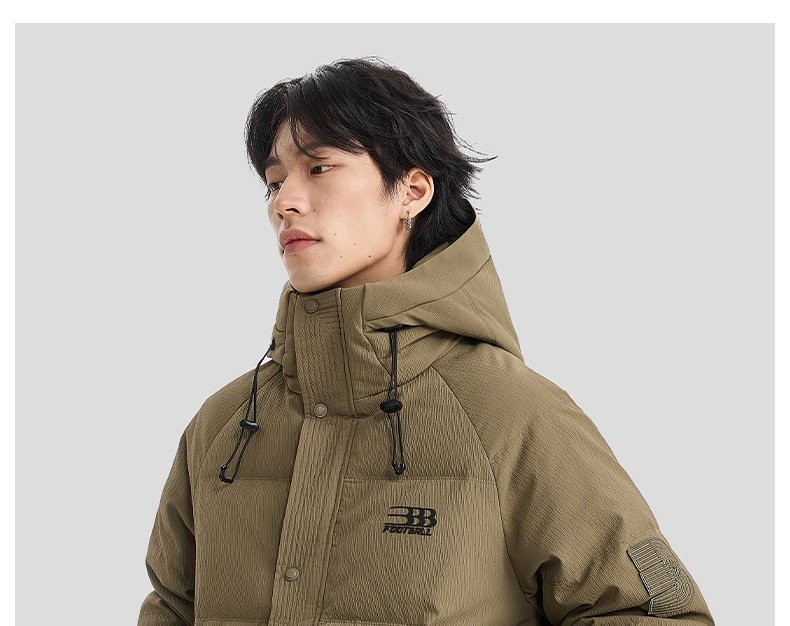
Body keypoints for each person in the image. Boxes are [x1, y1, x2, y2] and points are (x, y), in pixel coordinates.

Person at [137, 56, 716, 625]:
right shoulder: (221, 426)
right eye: (274, 182)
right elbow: (169, 611)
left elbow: (654, 613)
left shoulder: (509, 411)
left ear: (412, 190)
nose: (284, 202)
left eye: (319, 168)